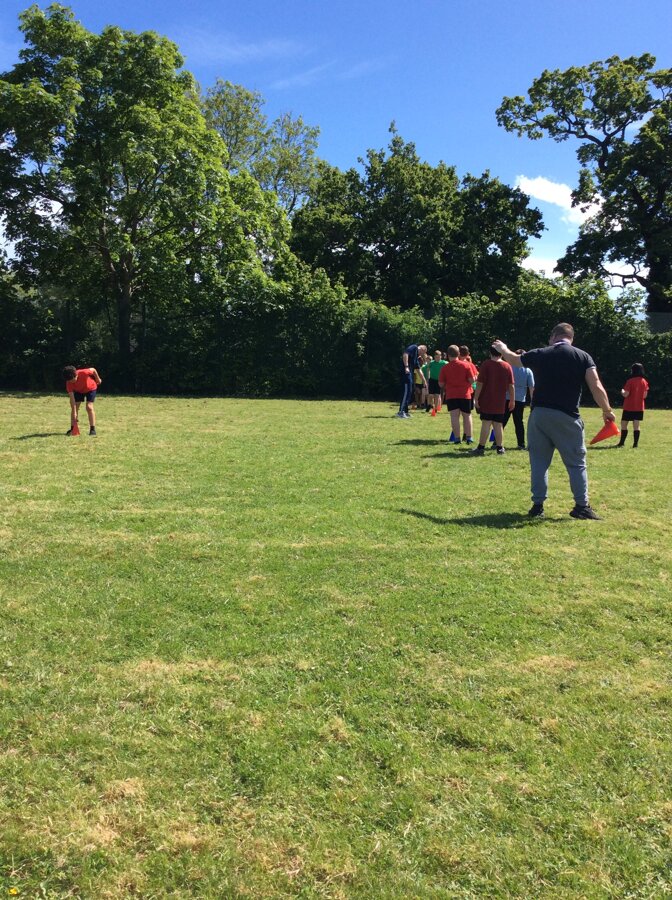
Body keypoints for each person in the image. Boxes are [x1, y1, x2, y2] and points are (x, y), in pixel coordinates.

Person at [493, 323, 615, 520]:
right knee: (576, 463)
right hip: (567, 416)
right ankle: (581, 506)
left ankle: (537, 505)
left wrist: (503, 348)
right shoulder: (583, 356)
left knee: (539, 462)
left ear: (553, 337)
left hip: (539, 415)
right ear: (571, 338)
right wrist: (607, 410)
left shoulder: (542, 353)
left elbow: (514, 360)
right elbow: (596, 385)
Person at [471, 346, 515, 456]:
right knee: (498, 424)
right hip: (500, 400)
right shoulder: (507, 366)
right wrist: (512, 400)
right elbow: (511, 385)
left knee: (486, 423)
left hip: (487, 399)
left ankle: (481, 447)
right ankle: (500, 448)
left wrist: (476, 398)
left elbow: (480, 383)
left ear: (490, 353)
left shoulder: (486, 364)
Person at [439, 345, 475, 443]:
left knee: (454, 417)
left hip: (451, 395)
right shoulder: (466, 365)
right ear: (458, 354)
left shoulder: (445, 368)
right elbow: (472, 381)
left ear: (447, 355)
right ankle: (469, 437)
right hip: (465, 394)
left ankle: (457, 438)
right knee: (467, 416)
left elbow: (441, 384)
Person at [502, 351, 535, 449]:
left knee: (502, 421)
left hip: (507, 398)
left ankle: (496, 442)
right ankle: (521, 444)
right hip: (520, 399)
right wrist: (533, 401)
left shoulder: (509, 367)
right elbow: (531, 387)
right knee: (519, 422)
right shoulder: (528, 370)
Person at [63, 365, 102, 436]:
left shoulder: (84, 372)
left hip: (91, 388)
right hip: (78, 391)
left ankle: (92, 429)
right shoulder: (68, 383)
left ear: (76, 375)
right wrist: (74, 412)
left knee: (89, 407)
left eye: (73, 380)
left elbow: (93, 369)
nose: (72, 382)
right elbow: (72, 399)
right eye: (69, 381)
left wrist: (98, 379)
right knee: (75, 408)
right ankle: (73, 429)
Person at [618, 363, 649, 448]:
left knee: (624, 424)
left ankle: (621, 443)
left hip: (629, 406)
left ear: (633, 370)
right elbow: (644, 396)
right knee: (636, 425)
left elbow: (626, 394)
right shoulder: (644, 381)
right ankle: (635, 444)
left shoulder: (630, 381)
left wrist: (622, 391)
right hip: (639, 407)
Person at [397, 343, 427, 418]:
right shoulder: (414, 347)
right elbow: (405, 354)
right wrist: (406, 366)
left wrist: (424, 381)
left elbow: (419, 369)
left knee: (410, 392)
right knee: (406, 392)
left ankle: (405, 411)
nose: (422, 355)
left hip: (409, 375)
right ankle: (401, 411)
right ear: (422, 349)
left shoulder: (416, 357)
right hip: (406, 373)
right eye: (423, 353)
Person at [426, 350, 447, 414]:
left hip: (439, 381)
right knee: (430, 395)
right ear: (434, 357)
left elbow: (450, 366)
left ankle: (435, 408)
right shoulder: (431, 363)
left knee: (437, 395)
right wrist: (428, 377)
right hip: (432, 380)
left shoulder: (444, 363)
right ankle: (429, 405)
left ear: (441, 357)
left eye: (439, 357)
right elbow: (428, 369)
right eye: (436, 357)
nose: (437, 358)